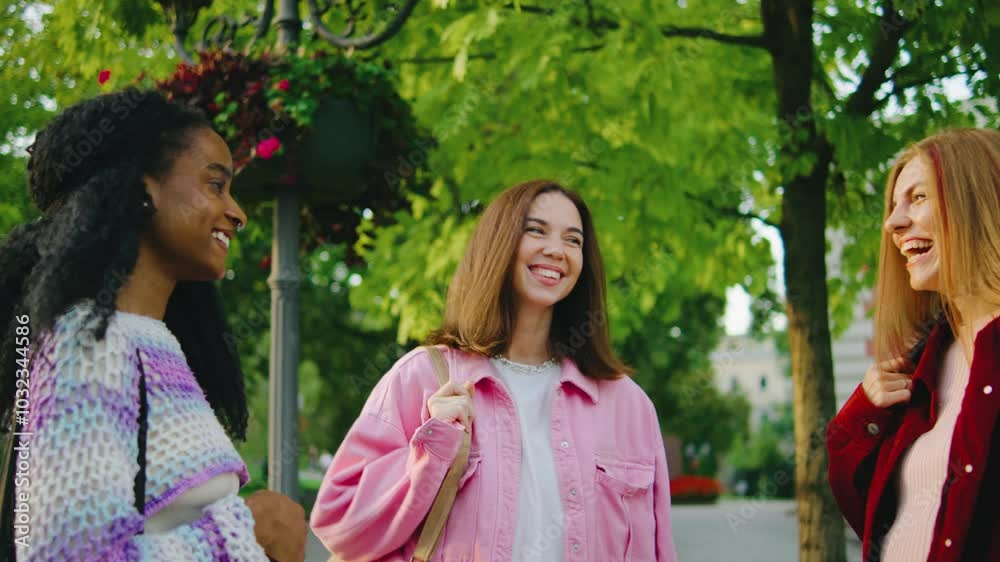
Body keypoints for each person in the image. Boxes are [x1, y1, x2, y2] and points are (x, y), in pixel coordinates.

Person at [0, 89, 307, 561]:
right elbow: (64, 555)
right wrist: (253, 530)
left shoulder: (152, 344)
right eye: (215, 185)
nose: (238, 213)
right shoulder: (89, 342)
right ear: (144, 189)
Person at [310, 180, 678, 561]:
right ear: (499, 243)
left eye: (573, 240)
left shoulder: (628, 406)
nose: (556, 250)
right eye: (536, 230)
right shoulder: (424, 378)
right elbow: (339, 525)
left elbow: (659, 549)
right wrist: (431, 451)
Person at [827, 128, 1000, 561]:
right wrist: (865, 411)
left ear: (978, 203)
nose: (892, 223)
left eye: (918, 198)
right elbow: (866, 510)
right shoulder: (924, 363)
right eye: (894, 205)